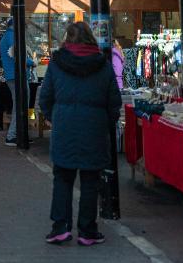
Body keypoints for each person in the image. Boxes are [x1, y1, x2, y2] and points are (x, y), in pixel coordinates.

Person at [38, 22, 121, 246]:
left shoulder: (57, 63)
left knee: (62, 179)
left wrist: (54, 117)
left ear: (68, 38)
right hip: (93, 130)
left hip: (64, 129)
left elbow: (44, 98)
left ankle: (60, 227)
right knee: (90, 181)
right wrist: (105, 123)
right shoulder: (102, 65)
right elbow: (114, 102)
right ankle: (87, 230)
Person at [0, 18, 35, 145]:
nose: (24, 29)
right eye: (23, 26)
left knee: (20, 104)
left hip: (11, 75)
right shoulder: (12, 37)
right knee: (21, 104)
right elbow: (17, 55)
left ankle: (20, 133)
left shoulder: (5, 37)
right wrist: (32, 62)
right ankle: (12, 135)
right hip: (16, 75)